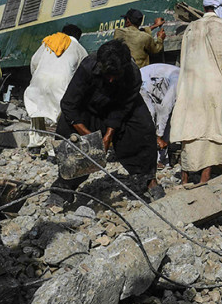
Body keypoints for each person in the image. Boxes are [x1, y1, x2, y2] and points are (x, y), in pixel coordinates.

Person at [56, 39, 160, 199]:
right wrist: (92, 139)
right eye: (107, 75)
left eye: (115, 76)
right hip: (87, 108)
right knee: (67, 132)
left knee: (143, 126)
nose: (111, 80)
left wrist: (108, 136)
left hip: (117, 106)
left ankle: (147, 179)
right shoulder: (87, 67)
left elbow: (122, 108)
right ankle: (63, 189)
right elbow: (69, 104)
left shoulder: (132, 75)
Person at [170, 0, 222, 184]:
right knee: (213, 131)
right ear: (221, 8)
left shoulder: (191, 28)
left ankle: (185, 178)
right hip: (214, 87)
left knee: (191, 131)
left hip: (191, 88)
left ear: (204, 8)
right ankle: (204, 178)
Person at [24, 25, 87, 150]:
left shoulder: (47, 43)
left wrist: (35, 78)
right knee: (63, 117)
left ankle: (36, 145)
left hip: (39, 81)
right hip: (61, 84)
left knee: (36, 113)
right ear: (78, 37)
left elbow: (34, 61)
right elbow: (83, 73)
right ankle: (57, 148)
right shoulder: (80, 49)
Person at [139, 63, 180, 168]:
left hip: (156, 87)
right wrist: (159, 136)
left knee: (167, 121)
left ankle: (162, 160)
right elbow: (165, 108)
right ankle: (151, 161)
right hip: (143, 84)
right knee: (150, 116)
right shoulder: (178, 82)